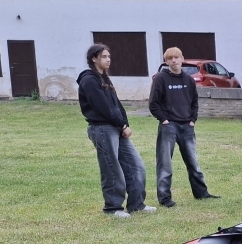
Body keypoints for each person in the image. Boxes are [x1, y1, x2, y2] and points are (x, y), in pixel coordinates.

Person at [78, 43, 154, 218]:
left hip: (116, 127)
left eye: (109, 56)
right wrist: (122, 125)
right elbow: (103, 107)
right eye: (104, 56)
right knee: (112, 168)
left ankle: (136, 204)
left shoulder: (104, 78)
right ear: (94, 59)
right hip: (102, 129)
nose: (108, 59)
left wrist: (124, 123)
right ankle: (113, 208)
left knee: (136, 165)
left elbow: (116, 105)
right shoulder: (89, 80)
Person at [149, 47, 218, 207]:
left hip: (187, 126)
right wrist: (164, 120)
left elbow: (194, 102)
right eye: (170, 58)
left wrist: (192, 120)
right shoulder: (160, 78)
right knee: (165, 163)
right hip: (169, 127)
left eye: (176, 57)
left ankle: (201, 193)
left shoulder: (188, 80)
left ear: (182, 59)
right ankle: (165, 198)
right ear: (166, 61)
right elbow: (153, 103)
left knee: (193, 162)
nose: (174, 60)